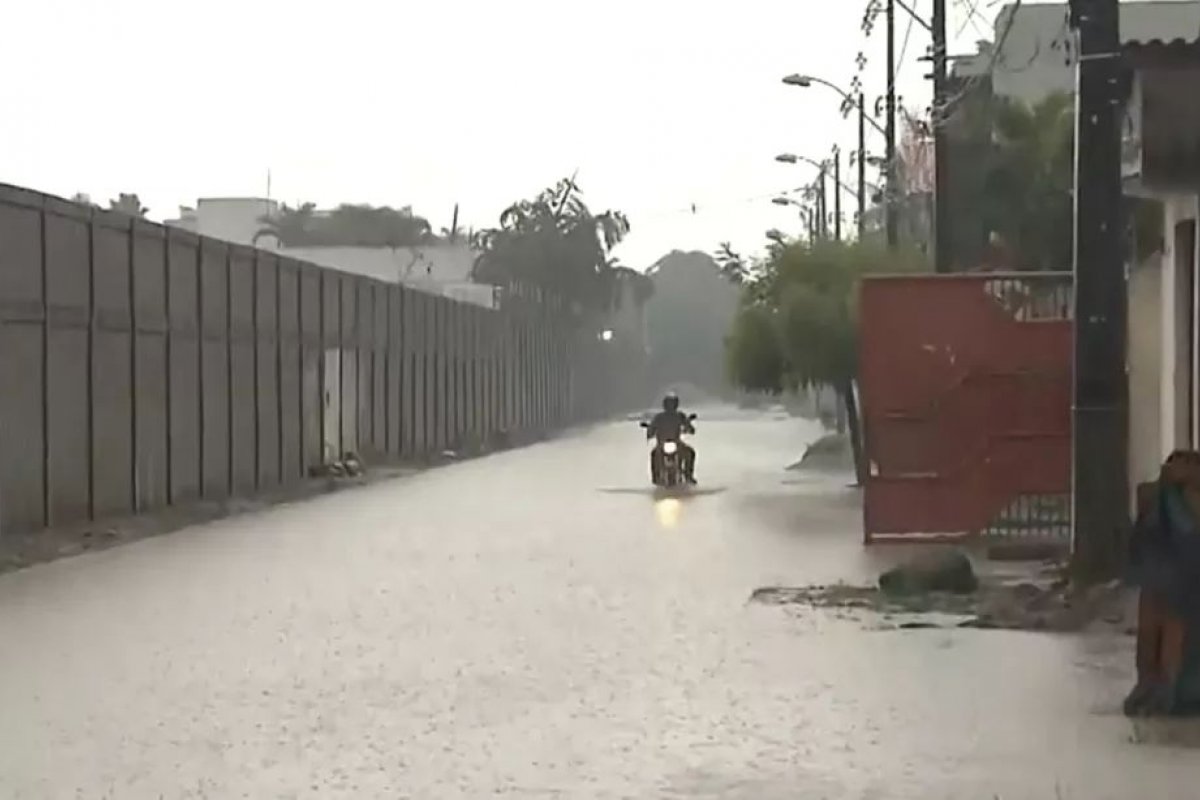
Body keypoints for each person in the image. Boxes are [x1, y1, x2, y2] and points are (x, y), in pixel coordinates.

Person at [645, 392, 696, 484]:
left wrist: (689, 427)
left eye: (672, 404)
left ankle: (689, 475)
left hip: (677, 444)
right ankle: (655, 477)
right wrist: (649, 432)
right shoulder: (659, 417)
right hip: (661, 445)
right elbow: (651, 429)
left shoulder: (680, 416)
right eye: (669, 404)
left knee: (690, 453)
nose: (670, 407)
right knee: (654, 455)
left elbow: (689, 427)